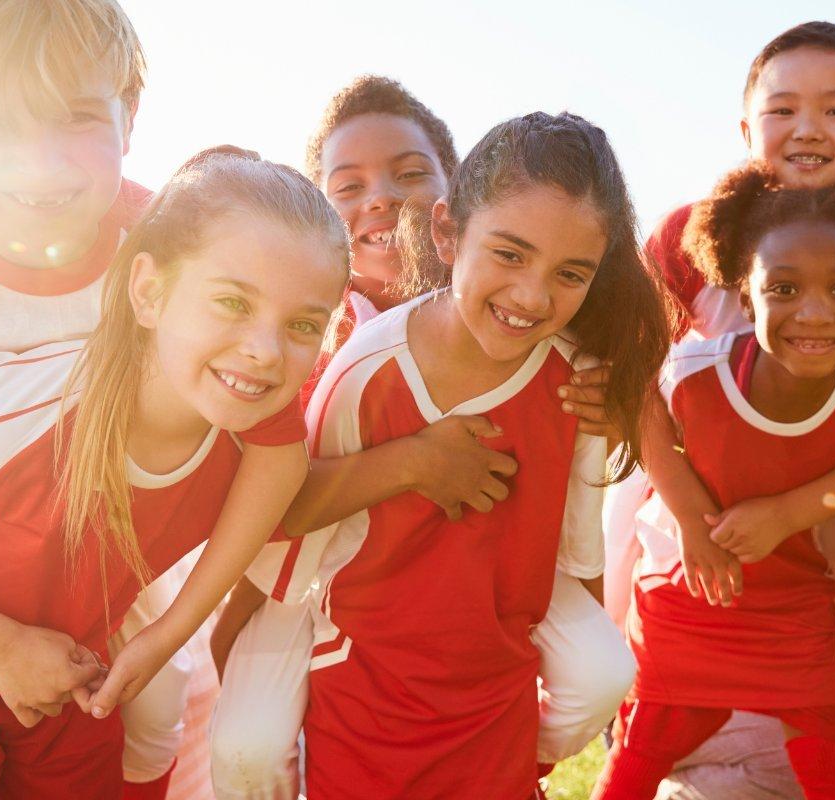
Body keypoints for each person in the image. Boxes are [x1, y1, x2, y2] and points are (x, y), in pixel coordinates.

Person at [0, 5, 312, 796]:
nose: (40, 166)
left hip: (78, 661)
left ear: (131, 109)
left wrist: (166, 634)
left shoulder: (180, 250)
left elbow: (274, 443)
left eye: (78, 116)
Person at [207, 78, 637, 799]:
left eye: (407, 173)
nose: (381, 198)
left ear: (444, 192)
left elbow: (576, 529)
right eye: (350, 184)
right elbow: (281, 513)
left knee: (601, 673)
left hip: (492, 575)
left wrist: (617, 408)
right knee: (247, 747)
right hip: (326, 575)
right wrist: (414, 460)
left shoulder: (557, 346)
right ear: (448, 231)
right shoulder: (325, 335)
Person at [594, 160, 835, 800]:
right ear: (746, 297)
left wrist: (789, 514)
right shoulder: (697, 371)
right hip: (689, 597)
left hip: (793, 610)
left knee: (827, 756)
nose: (814, 313)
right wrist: (693, 520)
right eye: (784, 289)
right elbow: (638, 403)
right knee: (643, 746)